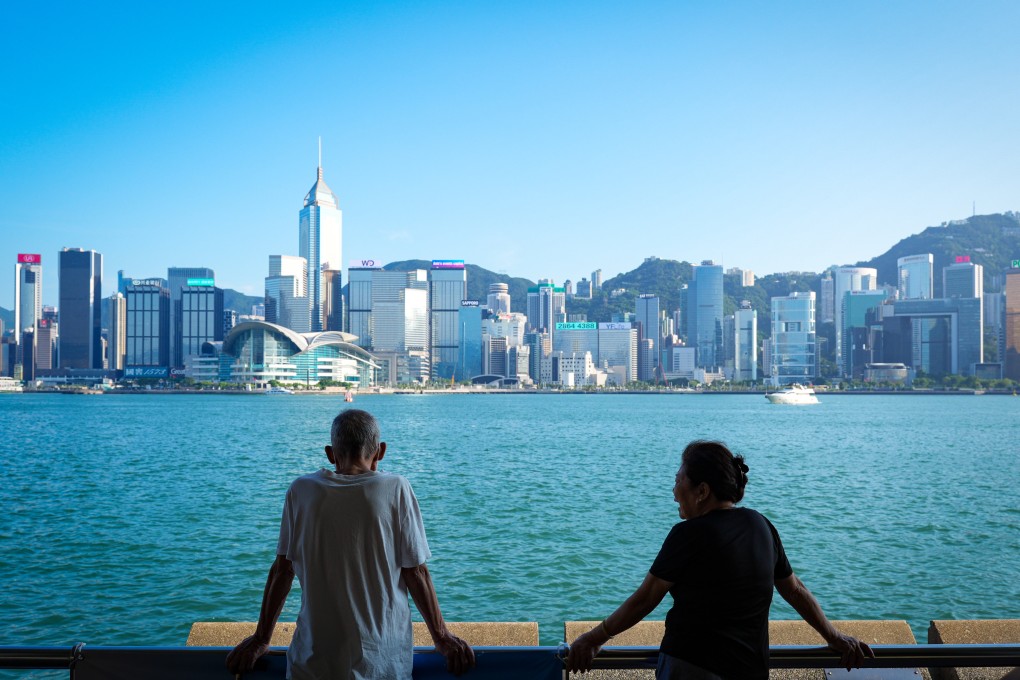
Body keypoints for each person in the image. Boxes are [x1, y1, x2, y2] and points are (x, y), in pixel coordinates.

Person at [566, 440, 874, 679]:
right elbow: (794, 590)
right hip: (750, 669)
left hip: (692, 667)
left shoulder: (689, 534)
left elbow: (646, 597)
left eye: (678, 482)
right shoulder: (761, 525)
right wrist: (834, 637)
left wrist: (594, 638)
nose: (674, 492)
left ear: (701, 491)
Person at [226, 409, 475, 679]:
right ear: (380, 451)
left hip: (311, 663)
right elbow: (415, 572)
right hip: (382, 663)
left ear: (330, 453)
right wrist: (441, 637)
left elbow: (282, 571)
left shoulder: (301, 490)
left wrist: (262, 639)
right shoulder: (396, 488)